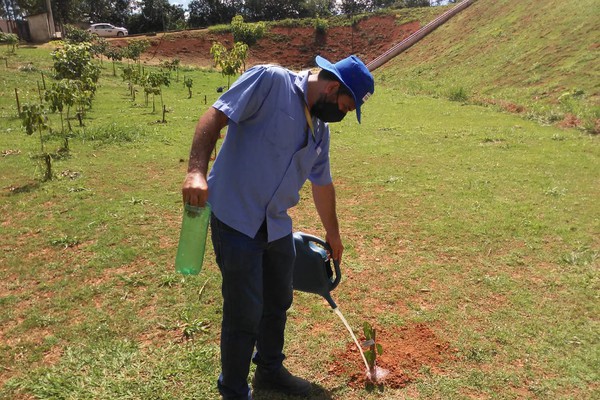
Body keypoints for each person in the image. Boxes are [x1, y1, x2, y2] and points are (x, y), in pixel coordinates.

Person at [181, 54, 374, 400]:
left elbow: (322, 183)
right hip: (236, 218)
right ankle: (234, 390)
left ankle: (269, 370)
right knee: (244, 310)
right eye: (345, 107)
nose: (343, 115)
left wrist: (334, 234)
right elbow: (214, 116)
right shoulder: (269, 81)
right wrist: (196, 170)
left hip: (276, 225)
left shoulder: (320, 129)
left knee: (278, 300)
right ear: (332, 88)